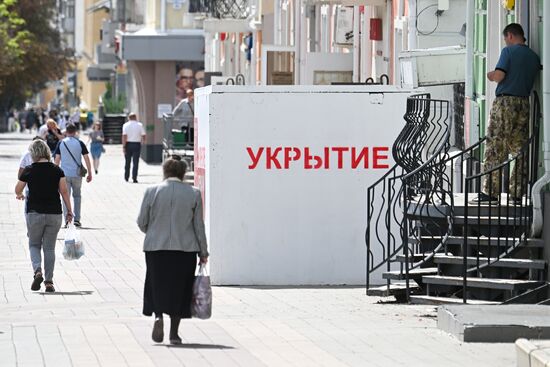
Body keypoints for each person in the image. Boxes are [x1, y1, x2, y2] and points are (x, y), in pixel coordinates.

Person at [137, 157, 209, 345]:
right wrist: (203, 251)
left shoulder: (151, 191)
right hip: (185, 249)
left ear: (165, 171)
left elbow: (141, 221)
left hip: (155, 248)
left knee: (156, 283)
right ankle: (174, 334)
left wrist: (152, 232)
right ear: (183, 172)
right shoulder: (193, 193)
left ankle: (158, 316)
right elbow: (198, 226)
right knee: (180, 288)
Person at [472, 23, 541, 204]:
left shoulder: (508, 52)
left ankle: (490, 193)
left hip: (505, 103)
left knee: (495, 145)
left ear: (510, 35)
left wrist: (490, 75)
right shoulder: (534, 57)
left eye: (506, 39)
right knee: (519, 149)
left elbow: (500, 75)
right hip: (524, 104)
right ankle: (517, 193)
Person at [15, 139, 73, 292]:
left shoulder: (29, 170)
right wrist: (70, 211)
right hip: (54, 214)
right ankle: (49, 282)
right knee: (49, 248)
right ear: (47, 152)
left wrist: (20, 194)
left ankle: (37, 271)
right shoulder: (57, 170)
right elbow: (64, 191)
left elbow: (18, 188)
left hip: (34, 213)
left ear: (33, 154)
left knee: (34, 244)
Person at [53, 124, 93, 227]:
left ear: (66, 132)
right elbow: (86, 158)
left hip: (64, 175)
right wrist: (89, 172)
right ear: (75, 132)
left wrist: (53, 175)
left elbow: (57, 160)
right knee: (77, 196)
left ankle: (67, 219)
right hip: (77, 175)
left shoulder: (61, 143)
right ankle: (77, 219)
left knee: (66, 197)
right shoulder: (80, 143)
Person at [122, 112, 146, 183]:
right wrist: (143, 142)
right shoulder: (139, 125)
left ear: (129, 118)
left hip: (128, 144)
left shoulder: (125, 125)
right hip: (137, 144)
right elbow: (143, 135)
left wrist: (123, 146)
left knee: (127, 161)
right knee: (136, 162)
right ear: (135, 117)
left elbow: (124, 136)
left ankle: (126, 177)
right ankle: (134, 178)